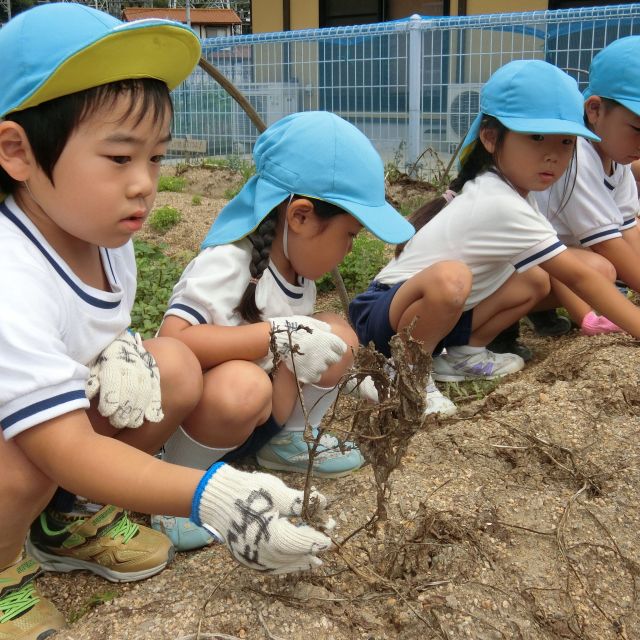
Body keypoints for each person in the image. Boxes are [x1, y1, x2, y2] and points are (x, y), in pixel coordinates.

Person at [0, 6, 334, 639]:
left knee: (171, 369)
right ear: (17, 151)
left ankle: (66, 520)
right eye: (120, 158)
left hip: (39, 415)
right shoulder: (10, 277)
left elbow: (90, 339)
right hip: (22, 435)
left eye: (155, 159)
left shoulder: (104, 241)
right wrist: (213, 494)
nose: (145, 186)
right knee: (20, 463)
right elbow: (62, 445)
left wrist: (117, 347)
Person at [152, 110, 416, 550]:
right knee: (244, 384)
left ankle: (287, 439)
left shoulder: (295, 271)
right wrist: (277, 335)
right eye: (348, 235)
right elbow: (172, 341)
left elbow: (307, 346)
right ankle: (179, 491)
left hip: (253, 423)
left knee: (337, 334)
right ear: (301, 217)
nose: (349, 250)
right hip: (208, 421)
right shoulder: (228, 262)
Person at [349, 59, 640, 405]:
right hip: (384, 318)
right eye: (535, 137)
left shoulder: (515, 193)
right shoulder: (499, 200)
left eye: (565, 142)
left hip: (437, 317)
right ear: (490, 138)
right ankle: (406, 375)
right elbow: (578, 276)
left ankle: (462, 355)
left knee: (535, 278)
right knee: (451, 278)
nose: (552, 155)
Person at [533, 36, 640, 334]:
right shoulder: (577, 154)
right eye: (637, 129)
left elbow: (630, 228)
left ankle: (548, 312)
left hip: (557, 254)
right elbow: (607, 243)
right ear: (594, 110)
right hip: (520, 263)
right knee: (601, 269)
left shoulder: (617, 156)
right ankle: (581, 318)